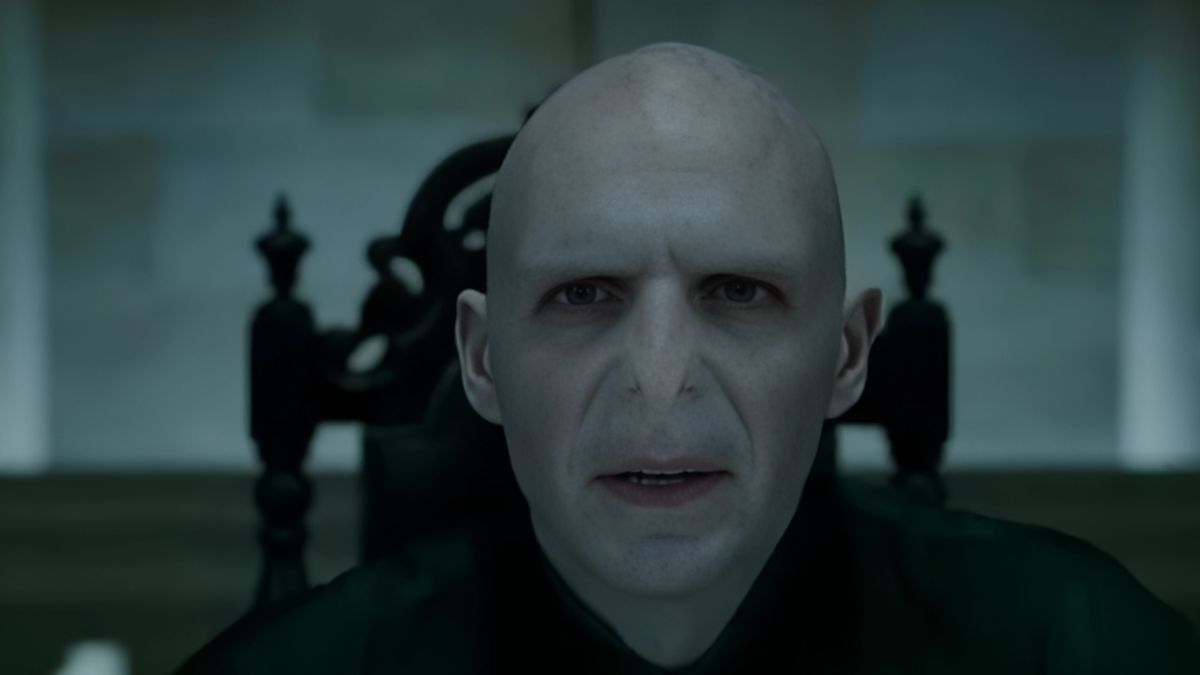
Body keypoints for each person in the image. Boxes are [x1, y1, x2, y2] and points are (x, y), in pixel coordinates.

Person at [176, 42, 1200, 674]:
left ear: (847, 353)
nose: (661, 380)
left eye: (740, 292)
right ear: (481, 361)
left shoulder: (1070, 642)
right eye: (584, 294)